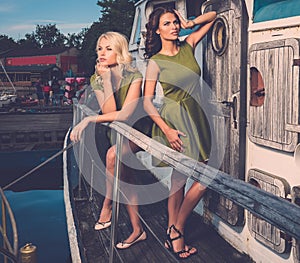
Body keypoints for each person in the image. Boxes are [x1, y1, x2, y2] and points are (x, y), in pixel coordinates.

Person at [143, 7, 216, 260]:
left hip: (197, 115)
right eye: (168, 23)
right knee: (196, 176)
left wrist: (189, 22)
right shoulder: (155, 61)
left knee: (183, 178)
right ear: (157, 30)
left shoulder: (189, 44)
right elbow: (146, 103)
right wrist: (166, 130)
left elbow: (214, 15)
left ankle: (173, 230)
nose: (174, 27)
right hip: (175, 120)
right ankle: (177, 231)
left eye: (175, 22)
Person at [70, 31, 152, 249]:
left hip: (138, 131)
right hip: (116, 133)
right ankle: (138, 231)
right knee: (127, 179)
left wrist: (88, 120)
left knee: (112, 155)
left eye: (108, 48)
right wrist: (105, 80)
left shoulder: (134, 76)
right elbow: (111, 111)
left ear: (120, 50)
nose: (102, 53)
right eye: (99, 49)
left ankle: (107, 204)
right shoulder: (97, 78)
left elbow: (126, 114)